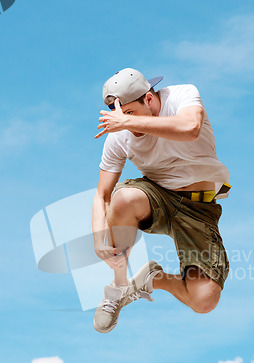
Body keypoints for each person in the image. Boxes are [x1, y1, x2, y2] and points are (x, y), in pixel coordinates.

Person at [92, 68, 230, 333]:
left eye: (129, 113)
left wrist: (127, 123)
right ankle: (119, 288)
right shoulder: (119, 134)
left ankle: (154, 279)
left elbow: (190, 128)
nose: (124, 122)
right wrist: (98, 237)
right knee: (123, 199)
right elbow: (102, 195)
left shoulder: (182, 96)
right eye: (119, 116)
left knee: (204, 301)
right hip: (158, 199)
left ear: (149, 99)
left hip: (198, 208)